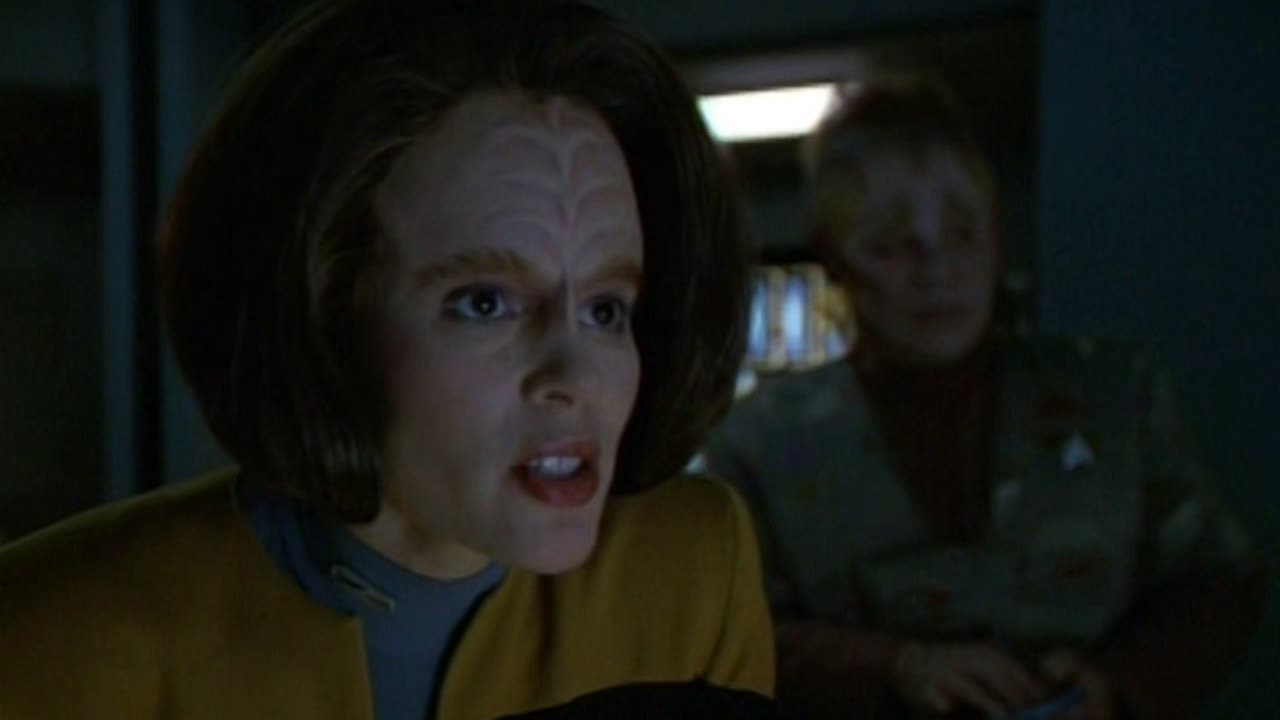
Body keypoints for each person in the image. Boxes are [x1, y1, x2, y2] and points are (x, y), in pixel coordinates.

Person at [0, 1, 775, 717]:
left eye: (606, 310)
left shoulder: (691, 573)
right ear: (316, 313)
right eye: (485, 303)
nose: (575, 378)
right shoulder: (49, 633)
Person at [702, 72, 1265, 720]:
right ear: (835, 258)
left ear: (997, 235)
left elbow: (1219, 580)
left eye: (963, 234)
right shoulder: (762, 441)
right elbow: (727, 633)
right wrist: (892, 667)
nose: (936, 271)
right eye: (892, 246)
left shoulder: (1114, 395)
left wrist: (1120, 684)